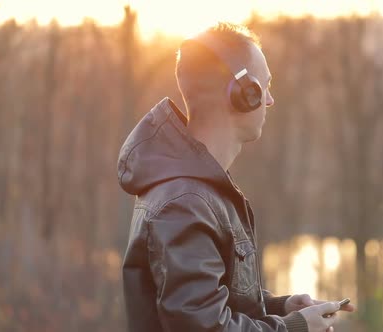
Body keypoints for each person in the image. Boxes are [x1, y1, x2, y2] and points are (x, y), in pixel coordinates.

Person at [117, 22, 354, 332]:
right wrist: (294, 328)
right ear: (244, 93)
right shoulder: (185, 204)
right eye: (265, 86)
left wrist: (280, 307)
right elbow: (205, 328)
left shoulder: (199, 192)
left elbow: (210, 303)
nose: (269, 100)